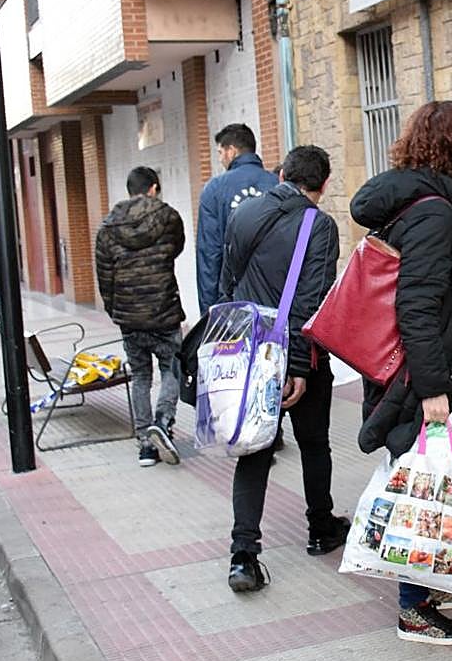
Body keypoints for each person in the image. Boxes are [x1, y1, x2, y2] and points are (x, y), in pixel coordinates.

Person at [350, 100, 452, 646]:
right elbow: (418, 304)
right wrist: (433, 388)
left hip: (404, 366)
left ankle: (426, 587)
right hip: (416, 373)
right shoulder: (434, 210)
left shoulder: (410, 200)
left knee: (425, 479)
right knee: (418, 488)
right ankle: (413, 608)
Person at [217, 145, 350, 591]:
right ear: (324, 185)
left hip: (250, 349)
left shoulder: (244, 213)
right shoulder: (320, 226)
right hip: (297, 356)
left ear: (281, 174)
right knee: (314, 444)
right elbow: (313, 300)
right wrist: (298, 366)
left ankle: (243, 554)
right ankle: (320, 527)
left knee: (254, 450)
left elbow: (226, 282)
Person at [95, 166, 186, 467]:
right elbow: (176, 249)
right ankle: (163, 419)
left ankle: (146, 444)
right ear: (154, 188)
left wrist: (114, 309)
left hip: (129, 315)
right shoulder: (169, 217)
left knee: (141, 376)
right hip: (164, 311)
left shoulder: (108, 228)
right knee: (172, 367)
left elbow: (104, 276)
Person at [195, 123, 277, 316]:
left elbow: (209, 253)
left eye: (220, 152)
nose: (221, 159)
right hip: (277, 293)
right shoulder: (277, 183)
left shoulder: (214, 189)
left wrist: (209, 313)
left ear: (231, 151)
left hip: (233, 299)